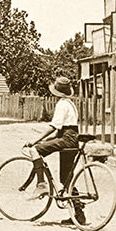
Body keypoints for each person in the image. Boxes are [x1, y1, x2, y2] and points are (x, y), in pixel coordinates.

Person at [25, 76, 80, 204]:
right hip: (73, 139)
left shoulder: (61, 104)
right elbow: (64, 129)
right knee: (66, 178)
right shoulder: (71, 104)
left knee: (35, 150)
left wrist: (35, 141)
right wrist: (45, 141)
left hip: (66, 140)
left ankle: (41, 185)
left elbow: (54, 127)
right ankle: (78, 214)